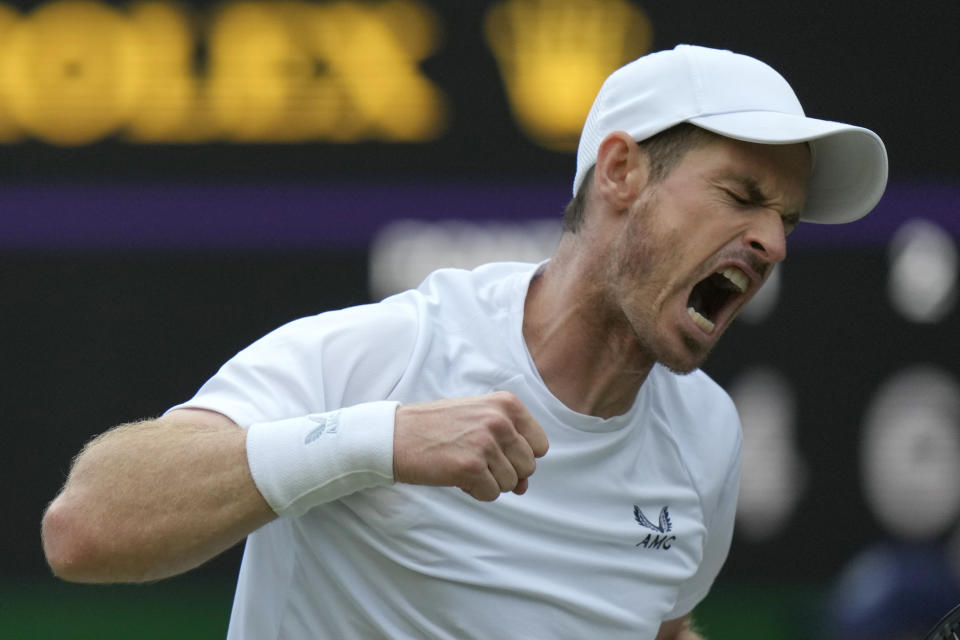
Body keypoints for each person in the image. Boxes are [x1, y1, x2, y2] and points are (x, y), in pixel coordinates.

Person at [41, 44, 888, 639]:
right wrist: (381, 440)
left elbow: (649, 624)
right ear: (622, 172)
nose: (772, 243)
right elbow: (86, 528)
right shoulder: (391, 352)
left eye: (784, 220)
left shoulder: (707, 438)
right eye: (741, 195)